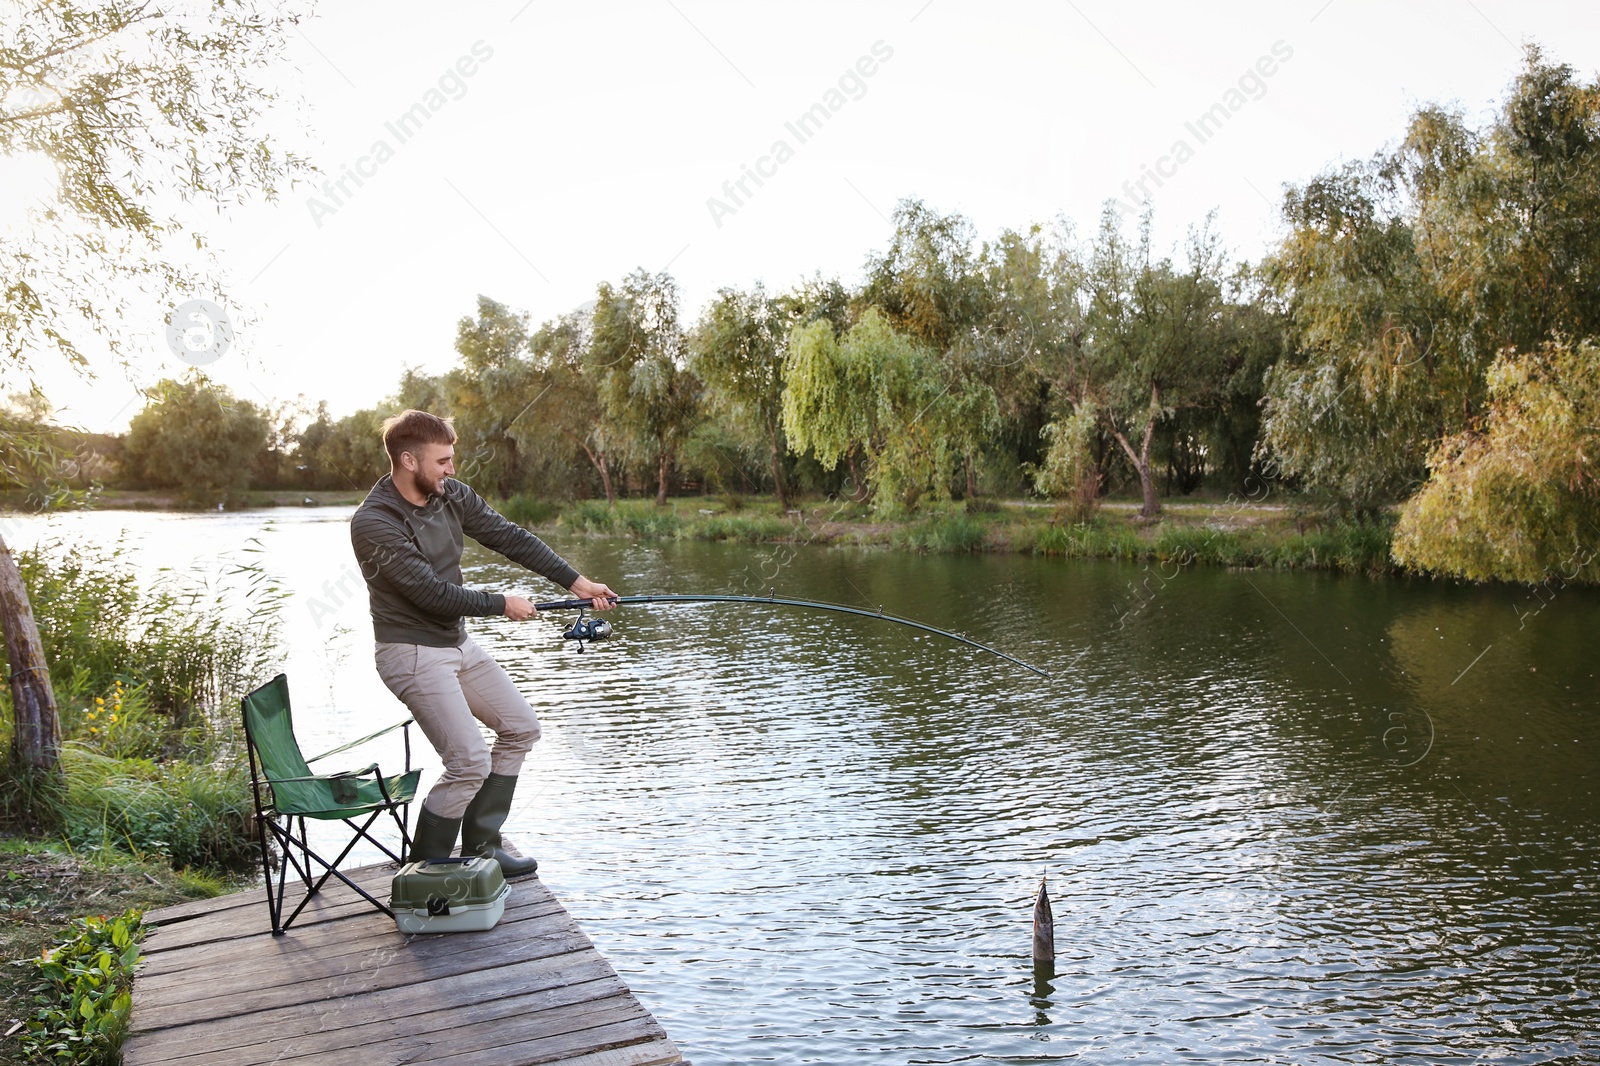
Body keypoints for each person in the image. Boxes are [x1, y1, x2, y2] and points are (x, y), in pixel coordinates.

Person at [350, 409, 616, 877]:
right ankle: (429, 871)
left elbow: (509, 537)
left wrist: (577, 583)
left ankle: (483, 847)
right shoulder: (376, 522)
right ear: (409, 461)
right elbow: (429, 592)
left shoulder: (450, 495)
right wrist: (501, 603)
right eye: (443, 461)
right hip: (410, 652)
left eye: (452, 459)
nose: (451, 470)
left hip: (455, 644)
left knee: (520, 727)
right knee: (468, 761)